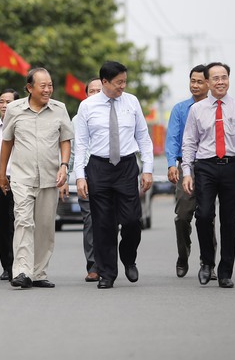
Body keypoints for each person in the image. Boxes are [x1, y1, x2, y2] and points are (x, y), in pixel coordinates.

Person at [75, 62, 153, 289]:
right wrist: (80, 176)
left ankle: (128, 257)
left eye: (125, 81)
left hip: (126, 166)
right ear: (105, 82)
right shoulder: (87, 107)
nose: (123, 86)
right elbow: (81, 144)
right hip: (98, 168)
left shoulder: (132, 102)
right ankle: (107, 273)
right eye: (118, 82)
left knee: (131, 220)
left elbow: (143, 136)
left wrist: (147, 168)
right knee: (103, 223)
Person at [182, 62, 235, 288]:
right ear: (207, 82)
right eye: (215, 78)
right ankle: (207, 262)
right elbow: (189, 142)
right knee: (204, 215)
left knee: (229, 220)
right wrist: (187, 172)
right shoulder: (197, 110)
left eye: (224, 77)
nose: (220, 82)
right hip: (205, 167)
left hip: (232, 167)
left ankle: (226, 271)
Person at [0, 68, 73, 289]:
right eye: (43, 86)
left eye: (50, 85)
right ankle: (22, 271)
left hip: (51, 178)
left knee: (44, 225)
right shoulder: (14, 109)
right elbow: (7, 142)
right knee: (23, 221)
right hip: (22, 177)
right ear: (30, 88)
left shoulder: (59, 109)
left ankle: (39, 272)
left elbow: (65, 140)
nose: (48, 89)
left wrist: (64, 166)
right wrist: (2, 174)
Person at [166, 65, 216, 279]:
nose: (195, 85)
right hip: (186, 167)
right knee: (183, 216)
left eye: (199, 82)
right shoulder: (180, 109)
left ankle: (208, 263)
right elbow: (173, 138)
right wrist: (170, 164)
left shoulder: (216, 108)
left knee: (207, 217)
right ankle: (182, 255)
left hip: (210, 167)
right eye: (192, 81)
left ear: (209, 84)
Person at [68, 78, 103, 282]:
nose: (96, 93)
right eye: (92, 91)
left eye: (100, 90)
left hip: (110, 177)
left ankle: (108, 261)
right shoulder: (76, 119)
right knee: (90, 221)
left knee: (109, 221)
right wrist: (67, 177)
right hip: (86, 176)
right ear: (86, 94)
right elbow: (73, 152)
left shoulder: (115, 113)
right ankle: (93, 266)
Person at [0, 88, 19, 281]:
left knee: (19, 224)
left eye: (8, 102)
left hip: (20, 181)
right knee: (2, 226)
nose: (4, 105)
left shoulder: (23, 126)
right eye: (1, 101)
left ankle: (21, 264)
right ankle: (7, 266)